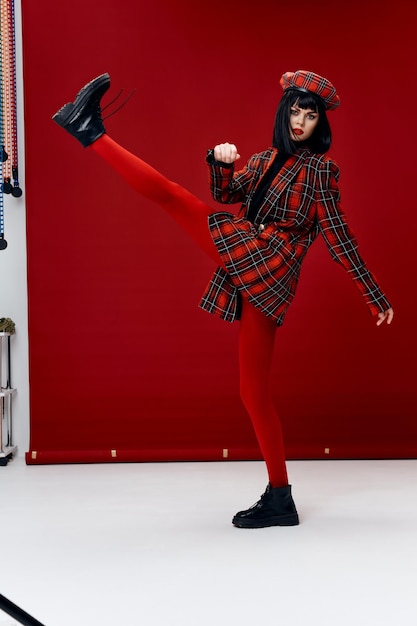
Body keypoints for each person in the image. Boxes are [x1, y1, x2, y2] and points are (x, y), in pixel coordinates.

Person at [52, 70, 394, 529]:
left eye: (310, 115)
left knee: (174, 199)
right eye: (294, 110)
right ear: (284, 112)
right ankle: (281, 498)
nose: (300, 121)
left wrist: (372, 295)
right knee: (253, 394)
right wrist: (221, 161)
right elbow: (226, 194)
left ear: (320, 124)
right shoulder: (266, 158)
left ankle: (90, 131)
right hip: (258, 273)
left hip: (268, 262)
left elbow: (338, 237)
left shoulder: (321, 172)